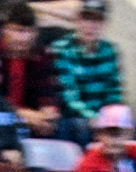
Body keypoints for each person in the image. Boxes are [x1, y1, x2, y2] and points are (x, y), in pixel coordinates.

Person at [50, 0, 122, 139]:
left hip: (102, 118)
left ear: (104, 24)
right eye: (86, 19)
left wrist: (110, 119)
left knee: (132, 128)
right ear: (77, 20)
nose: (91, 26)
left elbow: (114, 93)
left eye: (97, 20)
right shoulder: (61, 48)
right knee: (81, 127)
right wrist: (94, 118)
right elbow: (69, 97)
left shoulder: (110, 50)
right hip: (71, 117)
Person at [0, 2, 59, 138]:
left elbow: (47, 89)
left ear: (36, 33)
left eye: (28, 31)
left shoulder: (42, 57)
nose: (22, 38)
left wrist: (48, 111)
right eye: (17, 30)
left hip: (35, 122)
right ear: (4, 30)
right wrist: (20, 114)